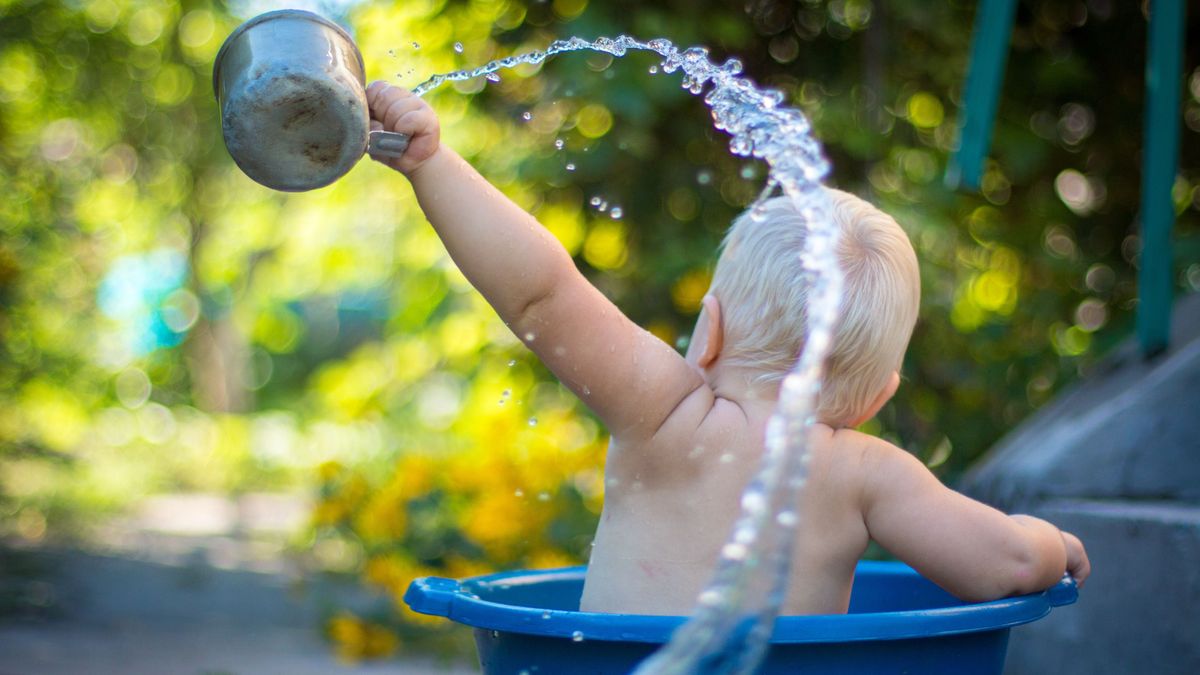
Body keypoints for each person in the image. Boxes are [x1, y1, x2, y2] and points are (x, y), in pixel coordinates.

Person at [365, 82, 1090, 616]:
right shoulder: (867, 474)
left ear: (706, 330)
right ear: (878, 397)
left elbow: (542, 295)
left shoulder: (665, 414)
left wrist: (431, 162)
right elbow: (1008, 563)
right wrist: (1054, 543)